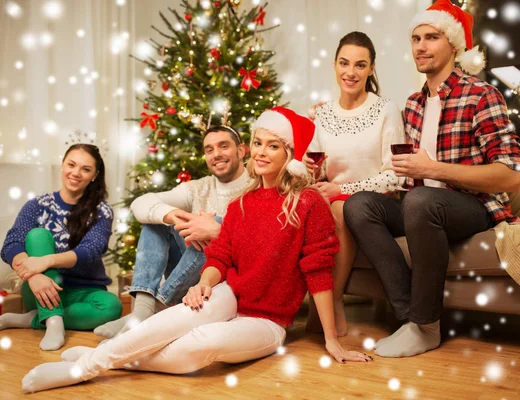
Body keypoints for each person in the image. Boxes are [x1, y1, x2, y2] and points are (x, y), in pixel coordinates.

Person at [21, 107, 372, 394]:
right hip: (229, 294)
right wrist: (204, 282)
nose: (262, 152)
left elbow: (318, 269)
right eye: (258, 143)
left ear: (290, 156)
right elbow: (220, 255)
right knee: (176, 319)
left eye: (273, 146)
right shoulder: (242, 204)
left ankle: (104, 355)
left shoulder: (307, 203)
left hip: (268, 321)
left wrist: (332, 341)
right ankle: (86, 368)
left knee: (196, 347)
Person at [344, 0, 520, 358]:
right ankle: (410, 316)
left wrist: (432, 170)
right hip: (419, 206)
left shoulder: (481, 95)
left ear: (454, 46)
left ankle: (426, 326)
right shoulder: (412, 104)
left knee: (421, 199)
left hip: (471, 207)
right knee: (360, 205)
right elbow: (399, 171)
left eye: (431, 37)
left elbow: (511, 177)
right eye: (415, 38)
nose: (420, 46)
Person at [93, 125, 250, 339]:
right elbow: (141, 203)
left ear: (241, 151)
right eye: (209, 150)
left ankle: (152, 311)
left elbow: (263, 242)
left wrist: (216, 230)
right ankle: (141, 311)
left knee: (212, 222)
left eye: (224, 146)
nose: (217, 155)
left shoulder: (256, 186)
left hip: (226, 278)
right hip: (191, 278)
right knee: (156, 219)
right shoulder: (198, 187)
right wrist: (173, 215)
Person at [304, 31, 404, 337]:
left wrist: (343, 190)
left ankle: (332, 303)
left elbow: (397, 175)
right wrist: (312, 170)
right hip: (332, 199)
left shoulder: (386, 110)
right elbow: (319, 175)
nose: (351, 72)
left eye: (360, 65)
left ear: (372, 69)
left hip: (378, 205)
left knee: (338, 208)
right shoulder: (321, 114)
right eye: (344, 63)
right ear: (334, 65)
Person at [0, 143, 121, 351]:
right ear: (62, 165)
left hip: (85, 290)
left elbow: (92, 250)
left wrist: (46, 260)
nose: (76, 173)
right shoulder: (37, 205)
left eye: (85, 169)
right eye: (71, 165)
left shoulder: (102, 211)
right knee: (38, 235)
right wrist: (35, 276)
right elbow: (11, 243)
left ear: (94, 175)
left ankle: (34, 319)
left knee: (112, 307)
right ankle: (53, 321)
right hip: (40, 288)